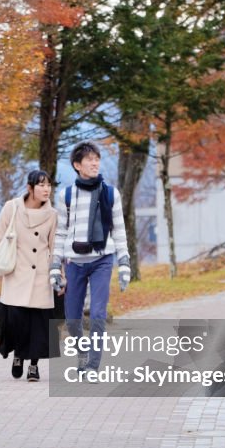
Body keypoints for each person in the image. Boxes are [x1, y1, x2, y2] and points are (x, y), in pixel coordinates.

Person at [50, 142, 131, 372]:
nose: (95, 163)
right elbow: (61, 232)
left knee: (97, 314)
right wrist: (55, 265)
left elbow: (119, 231)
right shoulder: (66, 195)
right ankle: (82, 352)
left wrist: (124, 263)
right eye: (89, 159)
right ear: (77, 165)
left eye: (97, 158)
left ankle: (93, 366)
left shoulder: (110, 193)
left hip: (102, 260)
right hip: (74, 262)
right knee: (71, 318)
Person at [0, 170, 62, 382]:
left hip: (41, 276)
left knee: (38, 324)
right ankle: (18, 356)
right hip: (17, 275)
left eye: (49, 185)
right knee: (17, 322)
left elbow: (55, 248)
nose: (46, 189)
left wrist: (60, 275)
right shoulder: (12, 208)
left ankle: (33, 365)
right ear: (30, 188)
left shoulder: (53, 215)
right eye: (41, 185)